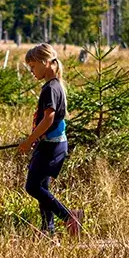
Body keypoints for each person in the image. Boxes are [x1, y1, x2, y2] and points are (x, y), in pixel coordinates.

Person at [19, 43, 84, 237]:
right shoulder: (54, 85)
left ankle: (69, 218)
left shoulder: (51, 88)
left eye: (32, 66)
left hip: (51, 146)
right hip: (52, 144)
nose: (31, 71)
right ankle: (48, 230)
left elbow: (48, 118)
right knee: (42, 187)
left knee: (32, 187)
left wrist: (30, 140)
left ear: (45, 62)